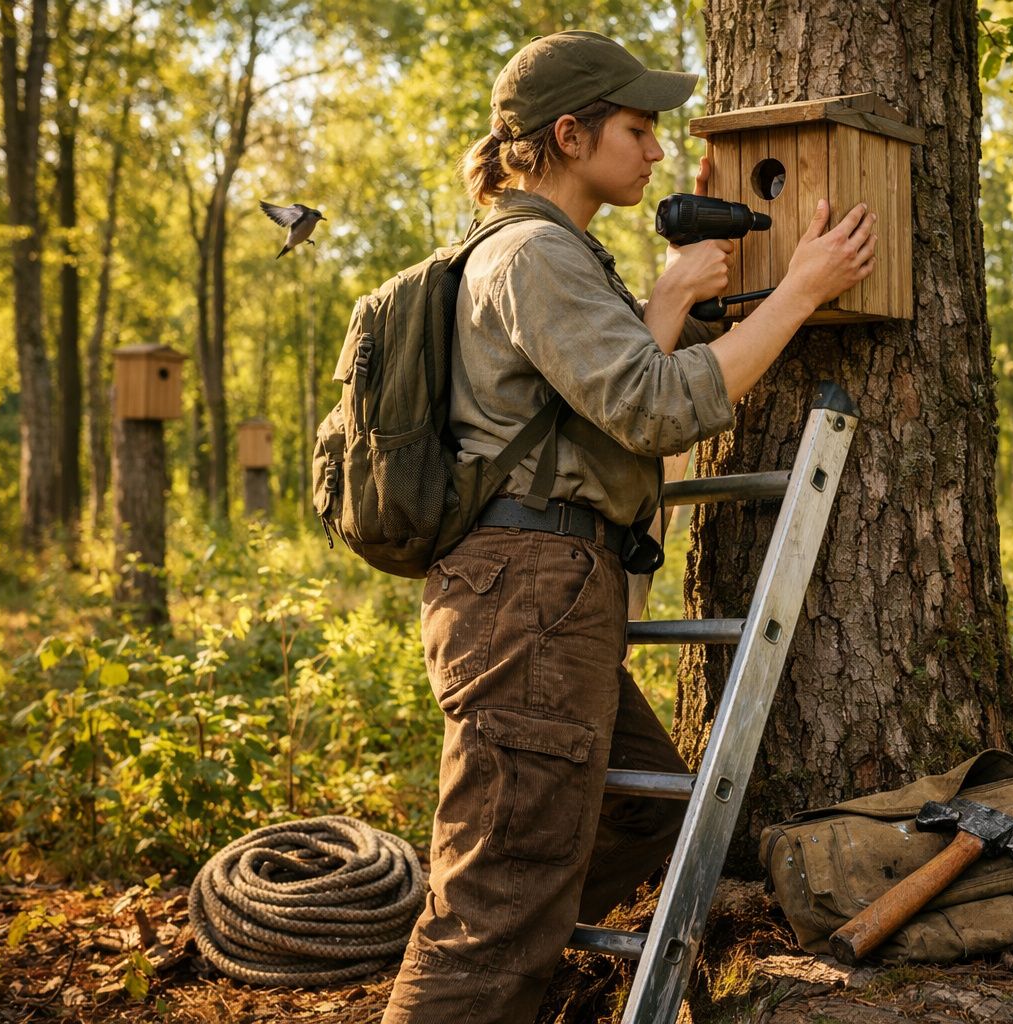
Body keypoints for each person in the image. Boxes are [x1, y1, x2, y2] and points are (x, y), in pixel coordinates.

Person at [382, 29, 877, 1024]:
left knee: (638, 810)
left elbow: (594, 411)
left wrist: (673, 299)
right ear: (569, 135)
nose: (657, 152)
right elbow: (653, 409)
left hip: (547, 594)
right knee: (492, 902)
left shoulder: (555, 254)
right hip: (526, 596)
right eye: (638, 128)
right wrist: (800, 292)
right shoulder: (534, 254)